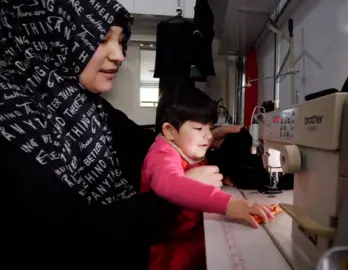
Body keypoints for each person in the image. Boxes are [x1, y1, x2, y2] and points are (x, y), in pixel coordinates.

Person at [0, 1, 241, 269]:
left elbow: (150, 149)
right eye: (102, 39)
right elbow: (71, 236)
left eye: (121, 40)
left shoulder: (87, 107)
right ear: (50, 38)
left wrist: (201, 138)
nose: (119, 55)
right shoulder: (11, 120)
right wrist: (179, 192)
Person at [141, 84, 274, 270]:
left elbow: (200, 164)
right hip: (173, 248)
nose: (208, 136)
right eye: (198, 128)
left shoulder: (186, 147)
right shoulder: (161, 155)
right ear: (169, 131)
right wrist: (229, 204)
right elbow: (172, 184)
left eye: (210, 128)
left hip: (193, 233)